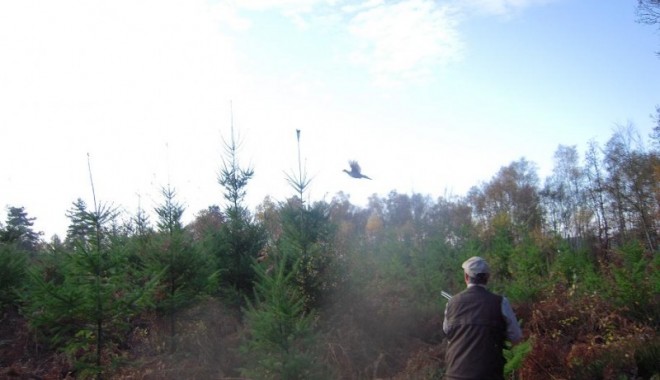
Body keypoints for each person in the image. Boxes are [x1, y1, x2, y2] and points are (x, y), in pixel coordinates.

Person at [442, 256, 523, 380]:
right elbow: (516, 337)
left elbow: (447, 332)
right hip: (489, 375)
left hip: (454, 375)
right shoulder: (501, 302)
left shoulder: (452, 303)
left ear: (466, 277)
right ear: (487, 278)